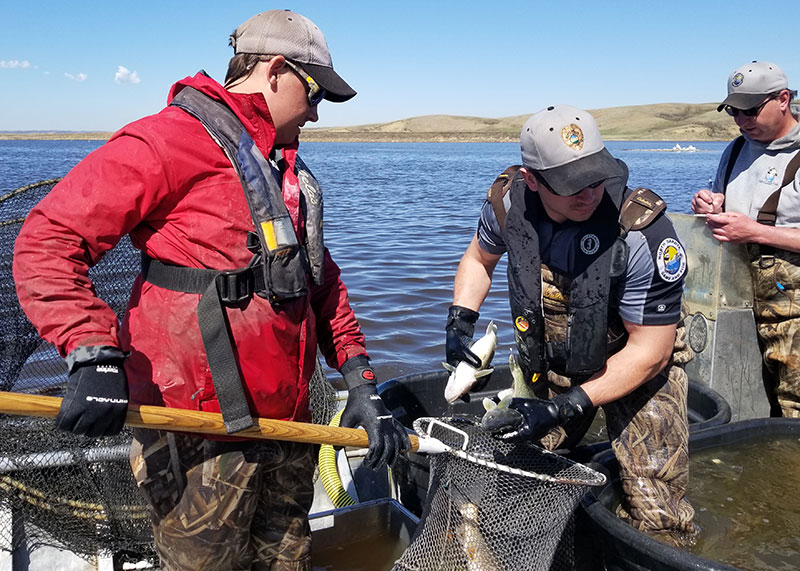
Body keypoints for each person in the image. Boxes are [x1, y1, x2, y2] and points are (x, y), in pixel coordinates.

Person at [13, 9, 409, 570]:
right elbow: (47, 240)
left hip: (288, 424)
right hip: (196, 428)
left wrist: (361, 381)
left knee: (287, 562)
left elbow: (320, 281)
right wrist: (92, 353)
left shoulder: (278, 165)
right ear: (275, 71)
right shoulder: (167, 140)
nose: (317, 113)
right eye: (315, 93)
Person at [446, 105, 696, 545]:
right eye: (571, 184)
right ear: (532, 180)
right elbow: (478, 261)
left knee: (657, 507)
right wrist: (459, 319)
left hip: (637, 368)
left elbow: (652, 351)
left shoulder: (642, 234)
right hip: (554, 361)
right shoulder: (507, 205)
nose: (590, 193)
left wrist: (570, 405)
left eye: (596, 177)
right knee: (519, 476)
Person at [692, 60, 800, 418]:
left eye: (750, 110)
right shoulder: (735, 150)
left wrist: (755, 232)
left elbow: (751, 228)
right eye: (733, 112)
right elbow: (720, 201)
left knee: (794, 406)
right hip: (736, 300)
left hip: (793, 311)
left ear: (783, 99)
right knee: (739, 396)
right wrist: (710, 203)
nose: (741, 121)